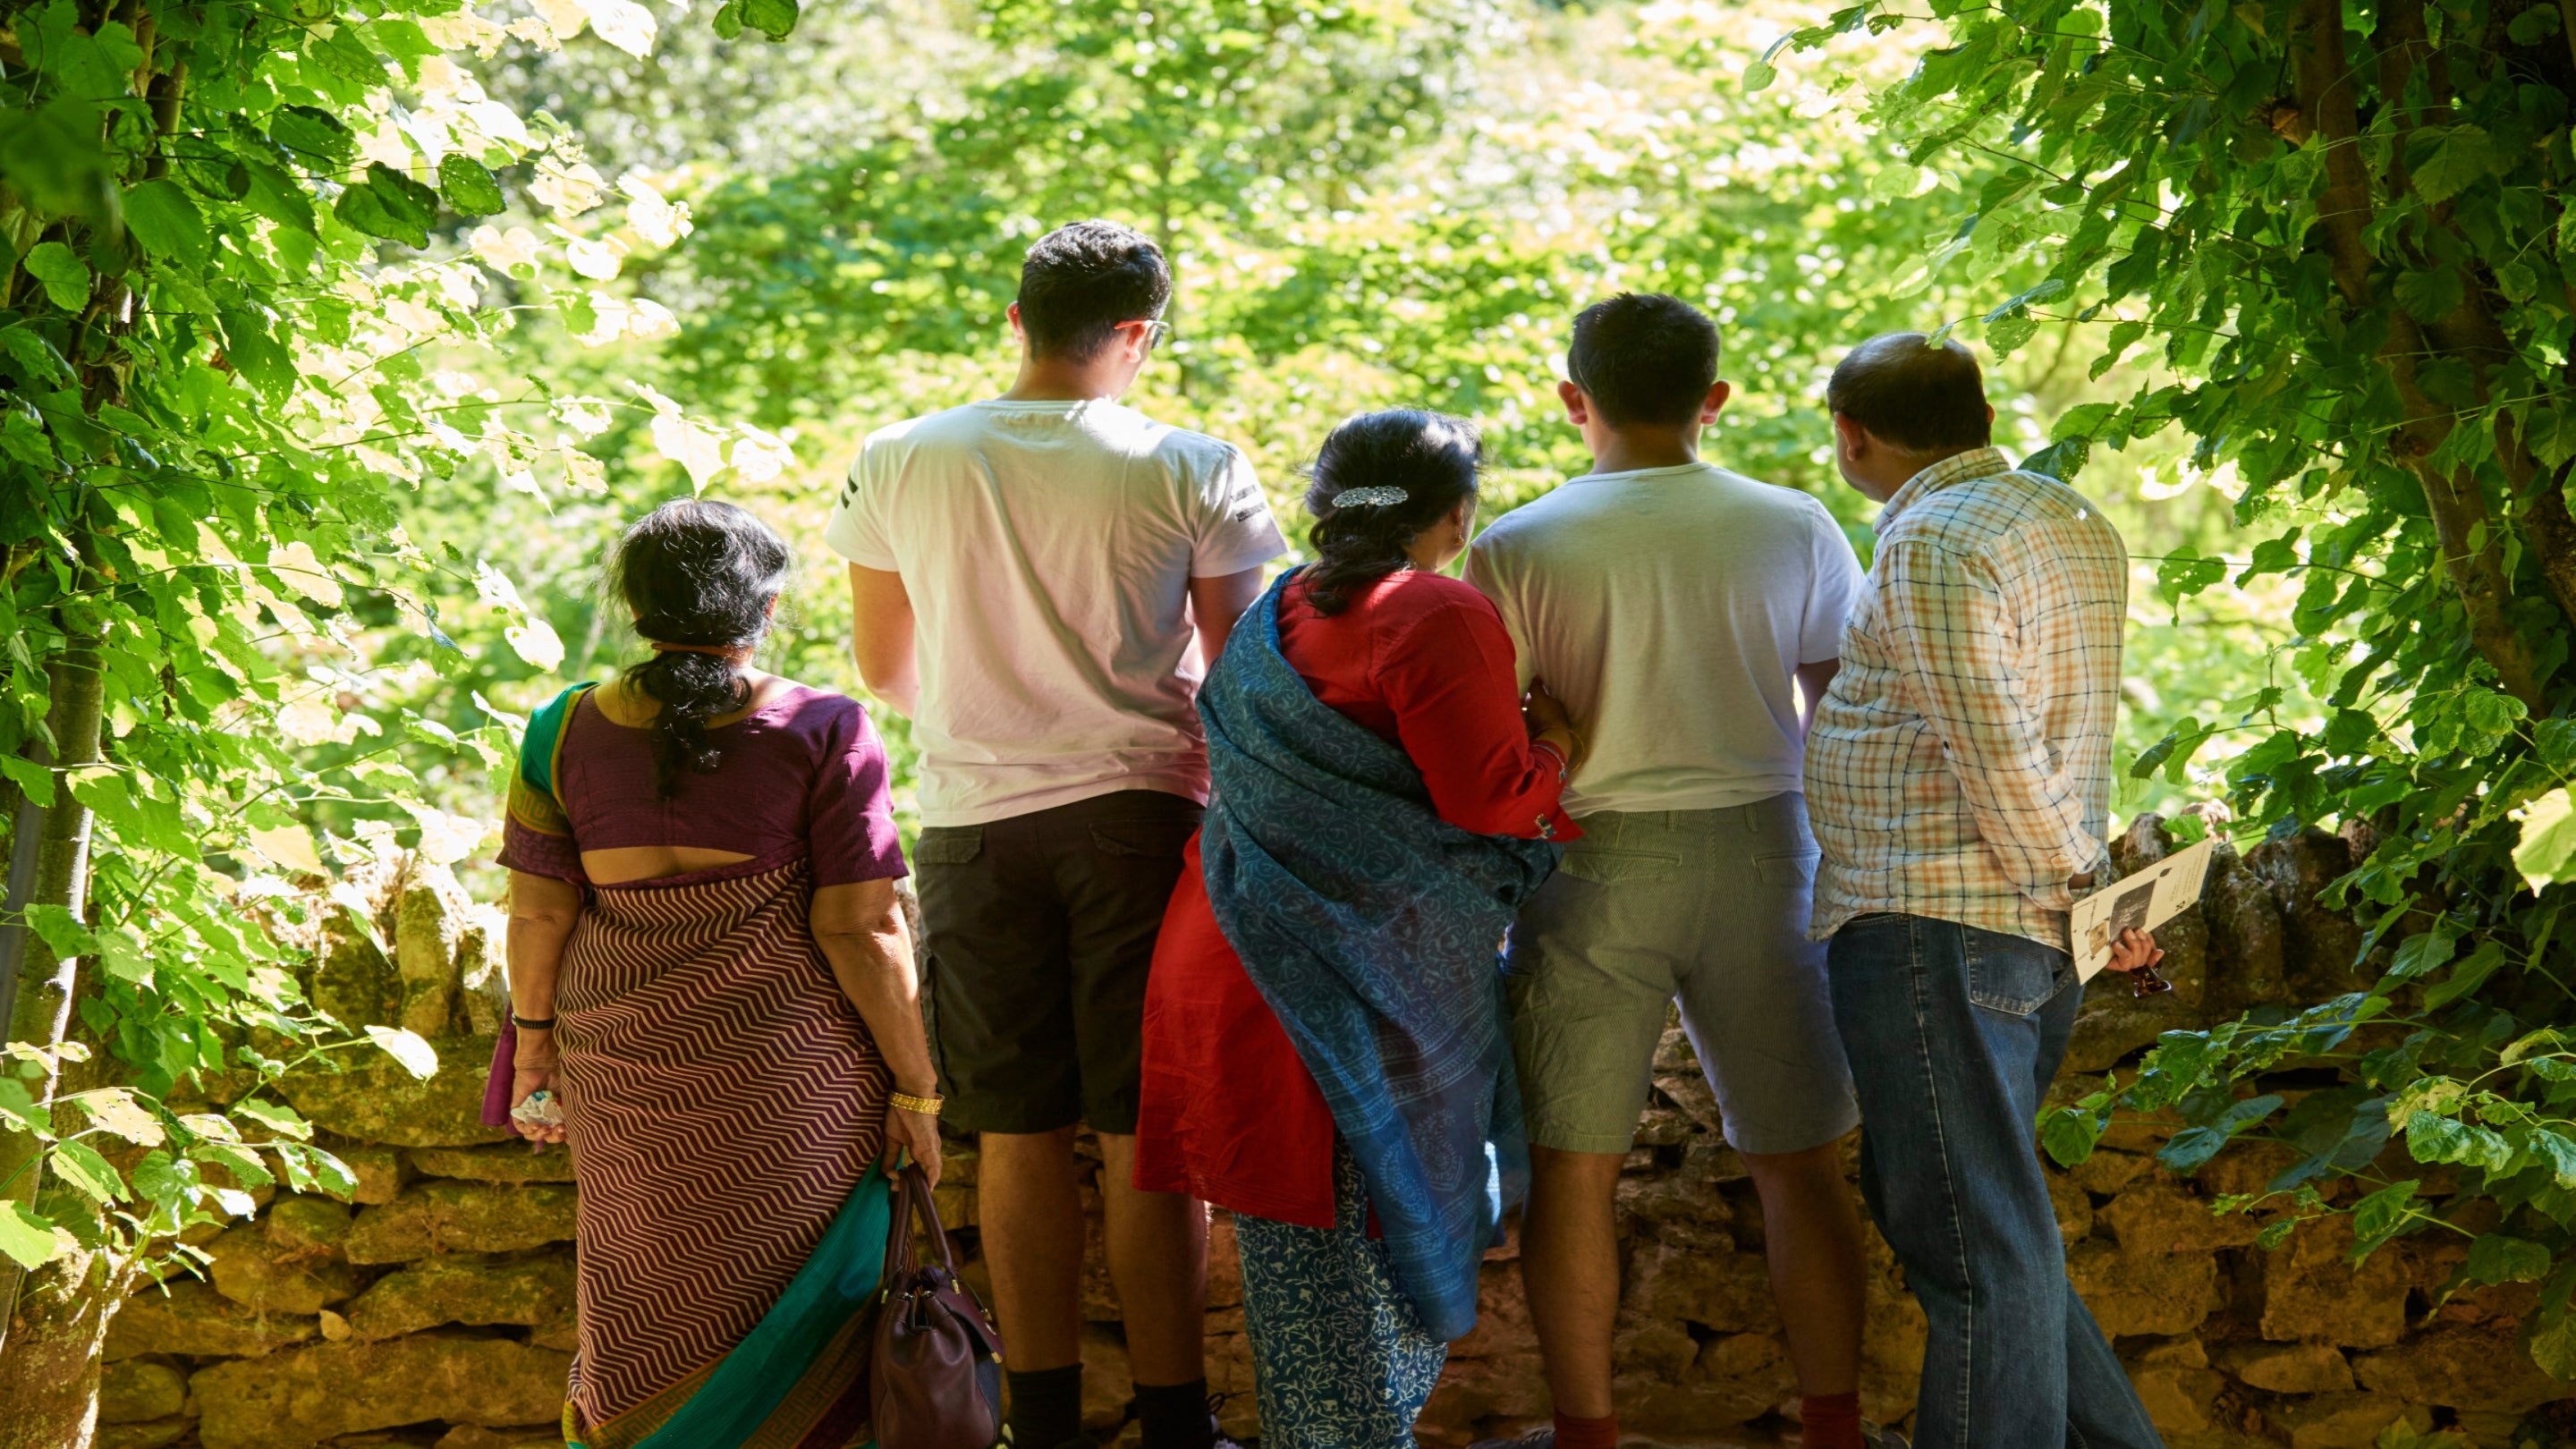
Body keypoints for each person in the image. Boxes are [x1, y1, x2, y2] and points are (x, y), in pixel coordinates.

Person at [825, 219, 1288, 1449]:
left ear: (1017, 321)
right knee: (1149, 1135)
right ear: (1137, 334)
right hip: (1142, 815)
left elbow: (886, 667)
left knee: (1017, 1130)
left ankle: (1039, 1421)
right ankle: (1177, 1422)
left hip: (973, 821)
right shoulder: (1193, 465)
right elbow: (1240, 678)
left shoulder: (900, 457)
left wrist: (994, 695)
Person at [1465, 292, 1887, 1449]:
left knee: (1574, 1169)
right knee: (1801, 1162)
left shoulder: (1516, 547)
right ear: (1716, 402)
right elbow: (1835, 714)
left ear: (1572, 402)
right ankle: (1835, 1427)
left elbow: (1497, 743)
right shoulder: (1793, 524)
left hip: (1590, 864)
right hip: (1766, 846)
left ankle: (1587, 1430)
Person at [1133, 410, 1577, 1449]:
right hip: (1342, 987)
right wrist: (1555, 744)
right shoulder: (1435, 611)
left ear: (1324, 505)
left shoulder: (1269, 612)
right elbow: (1491, 802)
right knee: (1349, 1286)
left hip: (1237, 958)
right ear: (1458, 514)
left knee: (1313, 1272)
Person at [494, 499, 940, 1449]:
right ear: (765, 610)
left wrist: (536, 1055)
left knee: (643, 1296)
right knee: (818, 1300)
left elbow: (539, 911)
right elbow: (863, 928)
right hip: (790, 1076)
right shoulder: (824, 726)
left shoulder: (560, 730)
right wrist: (919, 1088)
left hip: (621, 1072)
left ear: (639, 611)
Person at [1803, 331, 2165, 1449]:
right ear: (1985, 418)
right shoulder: (2071, 521)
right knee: (1997, 1239)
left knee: (1972, 1251)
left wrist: (2080, 889)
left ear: (1851, 437)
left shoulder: (1932, 543)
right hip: (2013, 930)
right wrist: (2090, 898)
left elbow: (1998, 750)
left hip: (1935, 925)